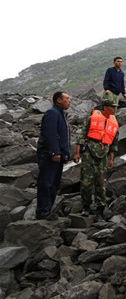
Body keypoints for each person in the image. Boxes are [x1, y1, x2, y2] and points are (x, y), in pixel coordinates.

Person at [74, 99, 119, 216]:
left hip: (104, 154)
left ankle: (100, 207)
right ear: (105, 108)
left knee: (101, 182)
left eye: (115, 107)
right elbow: (82, 135)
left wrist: (112, 159)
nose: (114, 109)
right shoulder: (92, 119)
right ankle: (86, 206)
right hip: (89, 152)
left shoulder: (114, 123)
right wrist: (77, 152)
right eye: (112, 107)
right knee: (86, 181)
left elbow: (114, 143)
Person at [36, 91, 71, 220]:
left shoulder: (61, 115)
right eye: (67, 98)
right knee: (46, 183)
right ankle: (42, 212)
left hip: (58, 156)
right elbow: (50, 134)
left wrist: (65, 154)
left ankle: (48, 210)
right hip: (49, 155)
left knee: (54, 184)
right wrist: (55, 152)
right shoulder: (52, 113)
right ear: (58, 100)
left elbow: (63, 137)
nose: (69, 101)